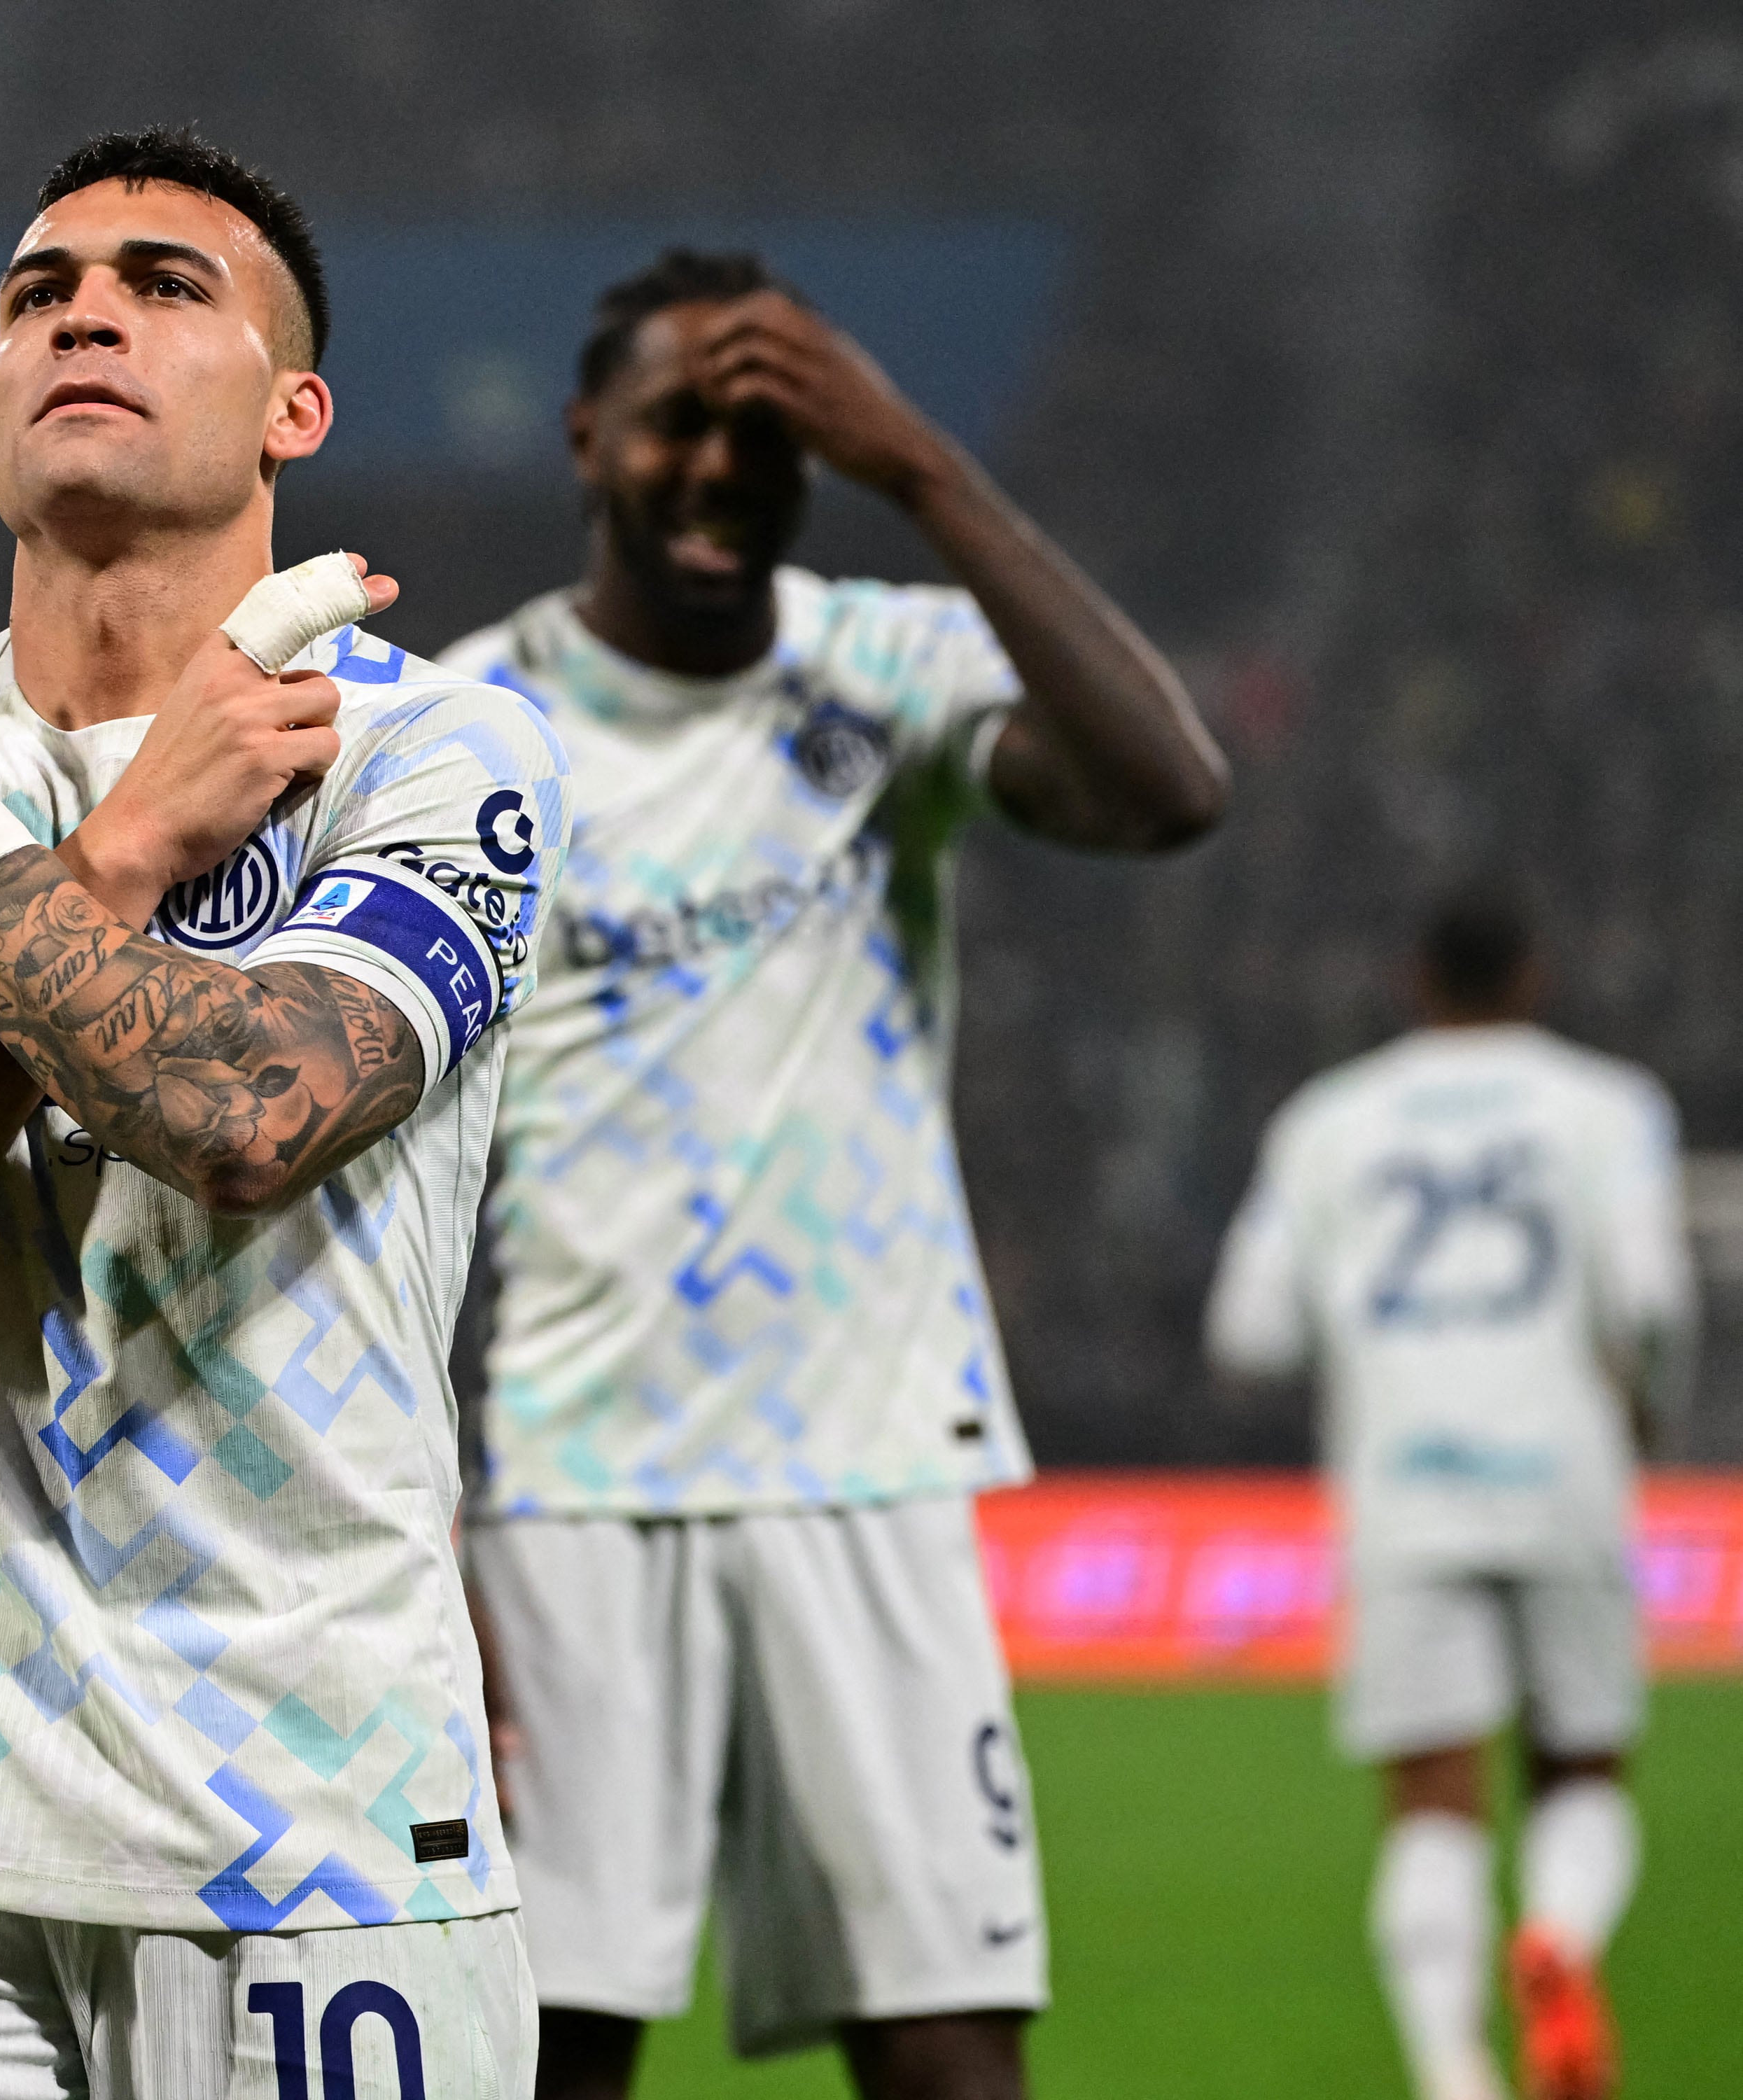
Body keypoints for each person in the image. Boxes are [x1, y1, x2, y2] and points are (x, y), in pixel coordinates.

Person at [0, 125, 573, 2096]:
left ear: (291, 412)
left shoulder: (433, 750)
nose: (82, 313)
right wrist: (104, 853)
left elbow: (246, 1113)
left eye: (164, 287)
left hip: (311, 1805)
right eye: (37, 296)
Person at [439, 248, 1229, 2100]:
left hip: (866, 1458)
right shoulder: (472, 729)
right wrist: (429, 1509)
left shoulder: (884, 660)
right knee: (549, 2053)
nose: (722, 468)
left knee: (948, 2056)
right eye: (678, 424)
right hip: (568, 1480)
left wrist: (927, 473)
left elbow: (1169, 792)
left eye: (771, 435)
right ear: (586, 437)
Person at [1206, 884, 1689, 2100]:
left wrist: (1367, 1347)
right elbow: (1650, 1305)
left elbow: (1252, 1329)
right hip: (1568, 1476)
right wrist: (1649, 1410)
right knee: (1581, 1763)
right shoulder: (1609, 1107)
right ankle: (1560, 1938)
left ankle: (1453, 2071)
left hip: (1405, 1485)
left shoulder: (1327, 1122)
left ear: (1414, 983)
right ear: (1532, 978)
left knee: (1432, 1796)